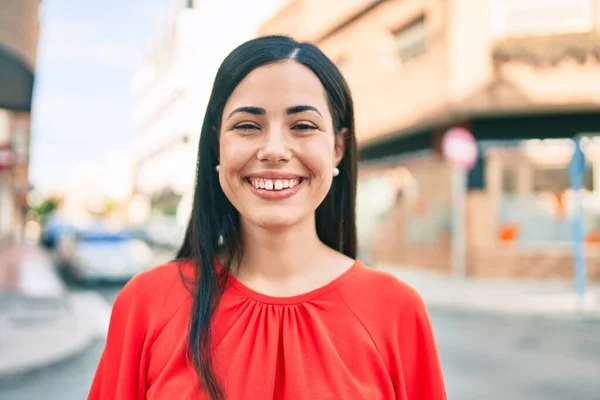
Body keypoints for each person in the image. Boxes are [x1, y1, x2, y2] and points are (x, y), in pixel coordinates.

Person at [88, 35, 446, 400]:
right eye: (247, 126)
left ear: (337, 148)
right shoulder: (145, 305)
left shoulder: (397, 312)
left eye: (303, 126)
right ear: (217, 144)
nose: (274, 151)